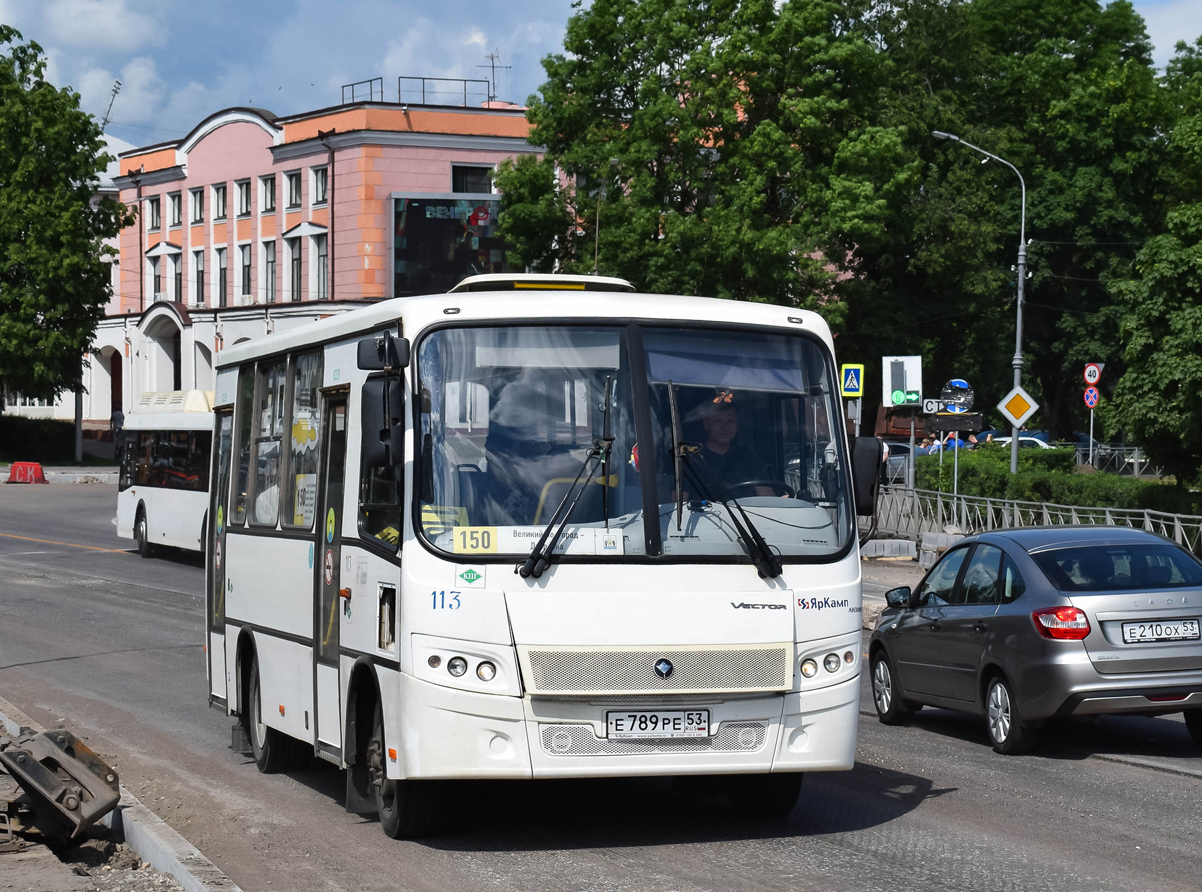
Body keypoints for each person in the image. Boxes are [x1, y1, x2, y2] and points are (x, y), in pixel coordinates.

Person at [695, 390, 774, 497]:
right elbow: (678, 507)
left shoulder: (749, 458)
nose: (725, 427)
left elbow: (768, 501)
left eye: (730, 421)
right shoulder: (693, 460)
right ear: (706, 424)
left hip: (744, 514)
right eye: (718, 421)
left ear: (737, 424)